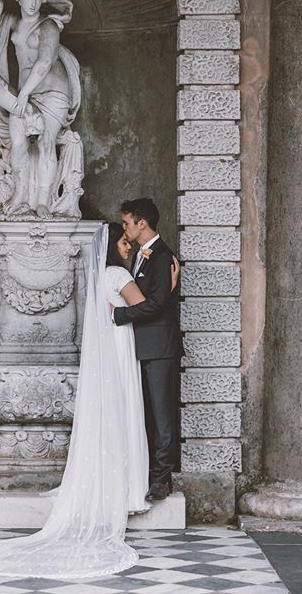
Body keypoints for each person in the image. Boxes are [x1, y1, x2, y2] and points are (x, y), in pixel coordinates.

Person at [0, 223, 178, 580]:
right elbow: (148, 307)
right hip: (120, 355)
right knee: (125, 415)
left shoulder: (98, 277)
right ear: (114, 247)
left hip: (109, 356)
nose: (128, 245)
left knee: (110, 419)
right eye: (124, 241)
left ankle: (112, 484)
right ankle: (127, 488)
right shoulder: (117, 273)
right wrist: (171, 286)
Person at [0, 0, 83, 218]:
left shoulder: (48, 25)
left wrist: (23, 95)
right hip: (25, 96)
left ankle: (43, 202)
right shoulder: (14, 22)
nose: (33, 3)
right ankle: (20, 197)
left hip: (52, 92)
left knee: (47, 143)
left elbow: (45, 61)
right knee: (17, 141)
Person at [112, 197, 182, 501]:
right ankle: (147, 474)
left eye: (128, 222)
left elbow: (155, 304)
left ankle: (162, 479)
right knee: (146, 414)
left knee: (162, 414)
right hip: (141, 346)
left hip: (159, 347)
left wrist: (119, 315)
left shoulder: (163, 256)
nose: (125, 228)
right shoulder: (143, 254)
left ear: (142, 223)